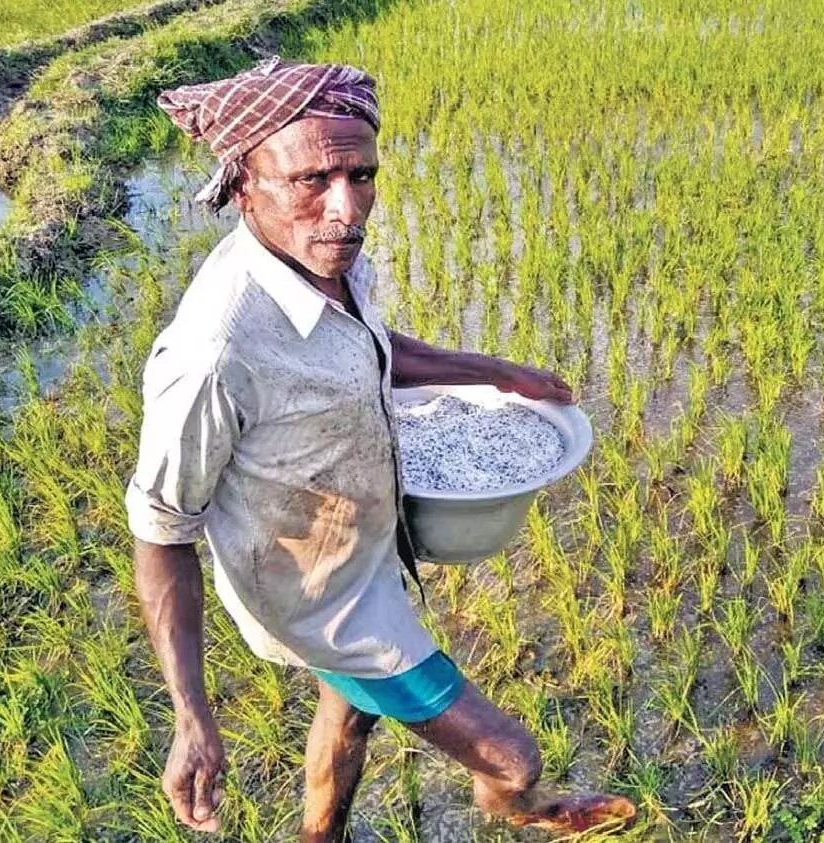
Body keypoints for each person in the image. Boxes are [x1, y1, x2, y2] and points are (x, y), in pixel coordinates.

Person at [126, 59, 637, 841]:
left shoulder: (324, 259)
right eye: (312, 180)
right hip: (320, 604)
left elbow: (368, 348)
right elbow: (162, 529)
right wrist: (190, 718)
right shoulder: (216, 351)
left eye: (361, 174)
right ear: (242, 186)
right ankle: (519, 804)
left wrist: (496, 372)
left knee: (352, 716)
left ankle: (318, 833)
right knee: (509, 754)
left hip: (364, 553)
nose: (346, 208)